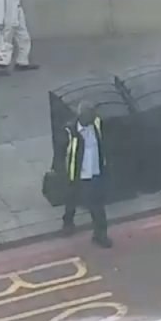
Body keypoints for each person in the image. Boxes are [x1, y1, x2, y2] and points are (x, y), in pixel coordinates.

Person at [60, 103, 113, 248]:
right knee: (71, 200)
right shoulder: (70, 131)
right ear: (81, 117)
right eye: (89, 116)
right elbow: (62, 153)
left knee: (97, 206)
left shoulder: (97, 124)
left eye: (93, 116)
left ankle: (100, 235)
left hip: (94, 174)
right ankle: (68, 223)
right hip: (77, 175)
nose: (92, 119)